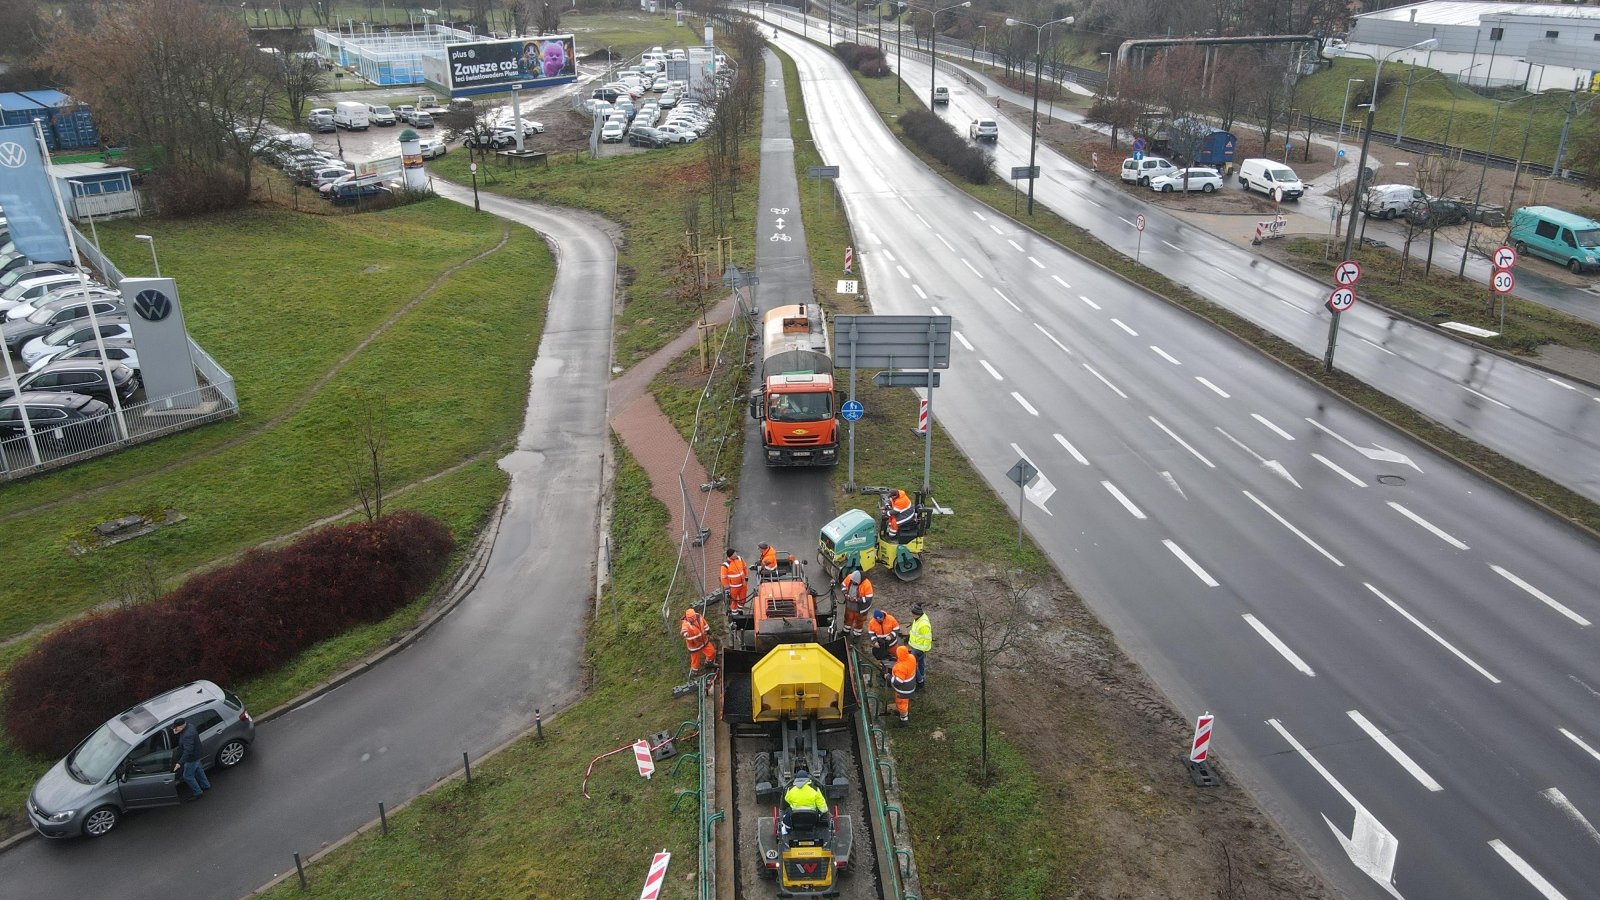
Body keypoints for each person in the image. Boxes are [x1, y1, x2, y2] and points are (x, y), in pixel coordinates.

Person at [170, 718, 209, 800]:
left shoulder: (187, 735)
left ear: (181, 726)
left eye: (175, 728)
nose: (174, 729)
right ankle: (206, 785)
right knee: (199, 770)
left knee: (187, 776)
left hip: (191, 758)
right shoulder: (190, 726)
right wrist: (177, 732)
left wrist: (179, 763)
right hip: (197, 754)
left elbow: (188, 751)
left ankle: (198, 793)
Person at [680, 607, 717, 676]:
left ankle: (709, 663)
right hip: (694, 646)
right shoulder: (686, 624)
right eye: (691, 618)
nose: (693, 618)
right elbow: (684, 630)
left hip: (704, 641)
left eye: (693, 616)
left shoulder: (699, 617)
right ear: (687, 618)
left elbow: (705, 624)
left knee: (711, 652)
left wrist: (708, 631)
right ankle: (694, 673)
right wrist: (685, 633)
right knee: (695, 660)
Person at [839, 568, 873, 637]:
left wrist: (857, 600)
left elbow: (869, 597)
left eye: (854, 582)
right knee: (848, 618)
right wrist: (845, 593)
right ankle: (845, 632)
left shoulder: (867, 584)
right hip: (850, 606)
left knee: (859, 622)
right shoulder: (850, 577)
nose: (852, 582)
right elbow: (843, 585)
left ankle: (856, 635)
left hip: (861, 609)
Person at [889, 645, 917, 723]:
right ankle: (902, 713)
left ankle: (904, 719)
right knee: (905, 702)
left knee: (902, 704)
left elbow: (898, 682)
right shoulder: (911, 657)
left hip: (903, 691)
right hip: (910, 686)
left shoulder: (901, 667)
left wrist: (888, 677)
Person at [908, 602, 933, 688]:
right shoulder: (919, 618)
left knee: (911, 665)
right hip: (917, 646)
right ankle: (921, 676)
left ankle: (920, 681)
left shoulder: (924, 624)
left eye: (913, 614)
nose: (912, 616)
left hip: (919, 648)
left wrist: (923, 650)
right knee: (921, 663)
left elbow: (927, 638)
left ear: (917, 614)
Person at [721, 548, 749, 615]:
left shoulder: (739, 559)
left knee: (743, 599)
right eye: (734, 554)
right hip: (733, 587)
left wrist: (746, 577)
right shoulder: (725, 565)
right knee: (734, 601)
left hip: (743, 584)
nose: (736, 555)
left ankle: (740, 610)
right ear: (730, 556)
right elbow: (723, 578)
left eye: (735, 553)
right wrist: (727, 587)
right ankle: (734, 613)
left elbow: (744, 567)